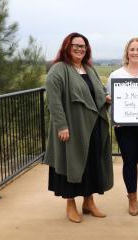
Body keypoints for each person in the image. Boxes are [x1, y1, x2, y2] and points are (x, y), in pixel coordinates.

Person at [45, 32, 113, 223]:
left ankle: (89, 202)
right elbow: (54, 100)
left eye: (83, 46)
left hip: (92, 126)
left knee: (90, 164)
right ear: (67, 46)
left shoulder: (88, 69)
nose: (79, 49)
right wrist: (62, 126)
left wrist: (105, 99)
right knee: (71, 164)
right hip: (72, 129)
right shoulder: (58, 69)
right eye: (75, 45)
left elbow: (97, 93)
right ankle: (70, 204)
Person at [106, 37, 138, 219]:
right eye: (132, 49)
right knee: (129, 162)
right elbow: (111, 101)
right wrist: (115, 117)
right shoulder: (116, 75)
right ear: (127, 53)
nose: (135, 52)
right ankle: (132, 199)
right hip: (125, 127)